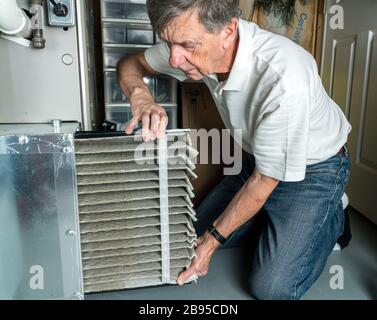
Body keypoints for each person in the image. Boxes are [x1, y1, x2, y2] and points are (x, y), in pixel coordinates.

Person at [116, 0, 352, 300]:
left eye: (187, 45)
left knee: (272, 288)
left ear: (228, 31)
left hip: (316, 168)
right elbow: (129, 64)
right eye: (168, 43)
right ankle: (272, 219)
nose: (174, 60)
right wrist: (141, 95)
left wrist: (212, 242)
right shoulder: (188, 37)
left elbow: (265, 181)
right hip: (256, 161)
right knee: (184, 242)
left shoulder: (285, 77)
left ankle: (335, 214)